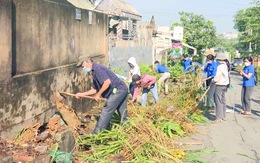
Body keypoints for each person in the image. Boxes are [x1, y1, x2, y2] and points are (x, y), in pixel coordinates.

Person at [75, 58, 128, 134]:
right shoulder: (94, 72)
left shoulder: (97, 69)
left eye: (83, 66)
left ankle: (96, 133)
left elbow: (107, 82)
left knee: (106, 110)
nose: (83, 68)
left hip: (118, 90)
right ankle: (127, 129)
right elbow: (95, 89)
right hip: (122, 89)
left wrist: (98, 95)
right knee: (122, 112)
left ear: (87, 62)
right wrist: (81, 94)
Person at [213, 53, 230, 122]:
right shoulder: (226, 66)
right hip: (225, 85)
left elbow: (217, 77)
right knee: (223, 100)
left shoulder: (220, 67)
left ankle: (219, 117)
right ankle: (223, 116)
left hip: (219, 85)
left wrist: (213, 81)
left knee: (218, 101)